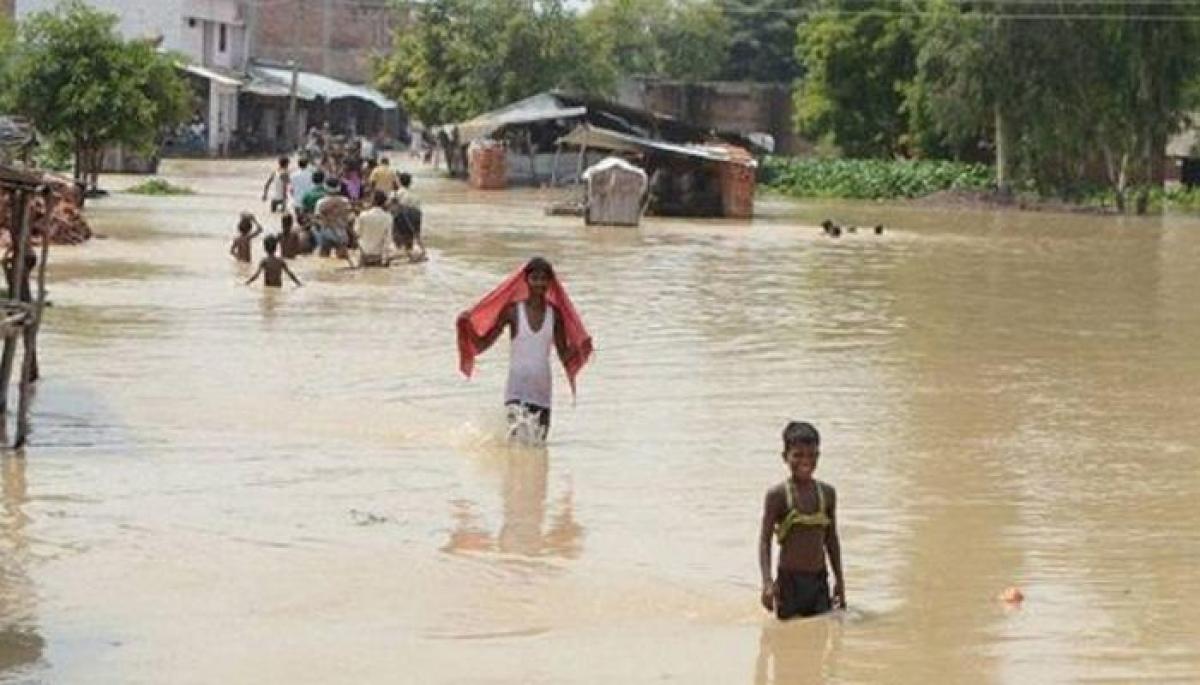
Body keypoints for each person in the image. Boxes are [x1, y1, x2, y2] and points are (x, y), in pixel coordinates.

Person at [456, 258, 593, 441]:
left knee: (538, 445)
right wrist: (467, 326)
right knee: (514, 443)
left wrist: (581, 348)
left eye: (544, 279)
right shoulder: (512, 311)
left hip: (542, 390)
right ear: (526, 280)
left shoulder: (555, 315)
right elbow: (482, 344)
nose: (539, 283)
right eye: (535, 278)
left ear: (550, 282)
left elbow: (564, 356)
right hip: (516, 388)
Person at [758, 421, 845, 620]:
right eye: (798, 455)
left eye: (811, 455)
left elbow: (831, 539)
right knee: (787, 635)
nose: (805, 461)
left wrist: (840, 581)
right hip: (789, 583)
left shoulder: (827, 494)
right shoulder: (778, 495)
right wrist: (767, 582)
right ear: (785, 457)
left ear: (818, 456)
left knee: (822, 630)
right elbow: (764, 541)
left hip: (819, 581)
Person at [314, 177, 354, 258]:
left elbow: (317, 220)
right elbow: (350, 219)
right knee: (342, 259)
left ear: (325, 187)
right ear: (338, 188)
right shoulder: (345, 201)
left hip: (326, 233)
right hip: (341, 234)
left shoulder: (321, 202)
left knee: (323, 257)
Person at [389, 172, 426, 260]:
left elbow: (390, 207)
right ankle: (414, 252)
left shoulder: (396, 194)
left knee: (398, 240)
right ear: (410, 182)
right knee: (412, 239)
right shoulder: (415, 195)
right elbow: (418, 210)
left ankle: (401, 251)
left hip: (401, 218)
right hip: (415, 218)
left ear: (399, 182)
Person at [354, 190, 395, 267]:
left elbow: (356, 233)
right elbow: (388, 240)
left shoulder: (363, 215)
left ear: (373, 201)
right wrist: (387, 258)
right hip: (378, 255)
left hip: (363, 253)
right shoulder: (388, 217)